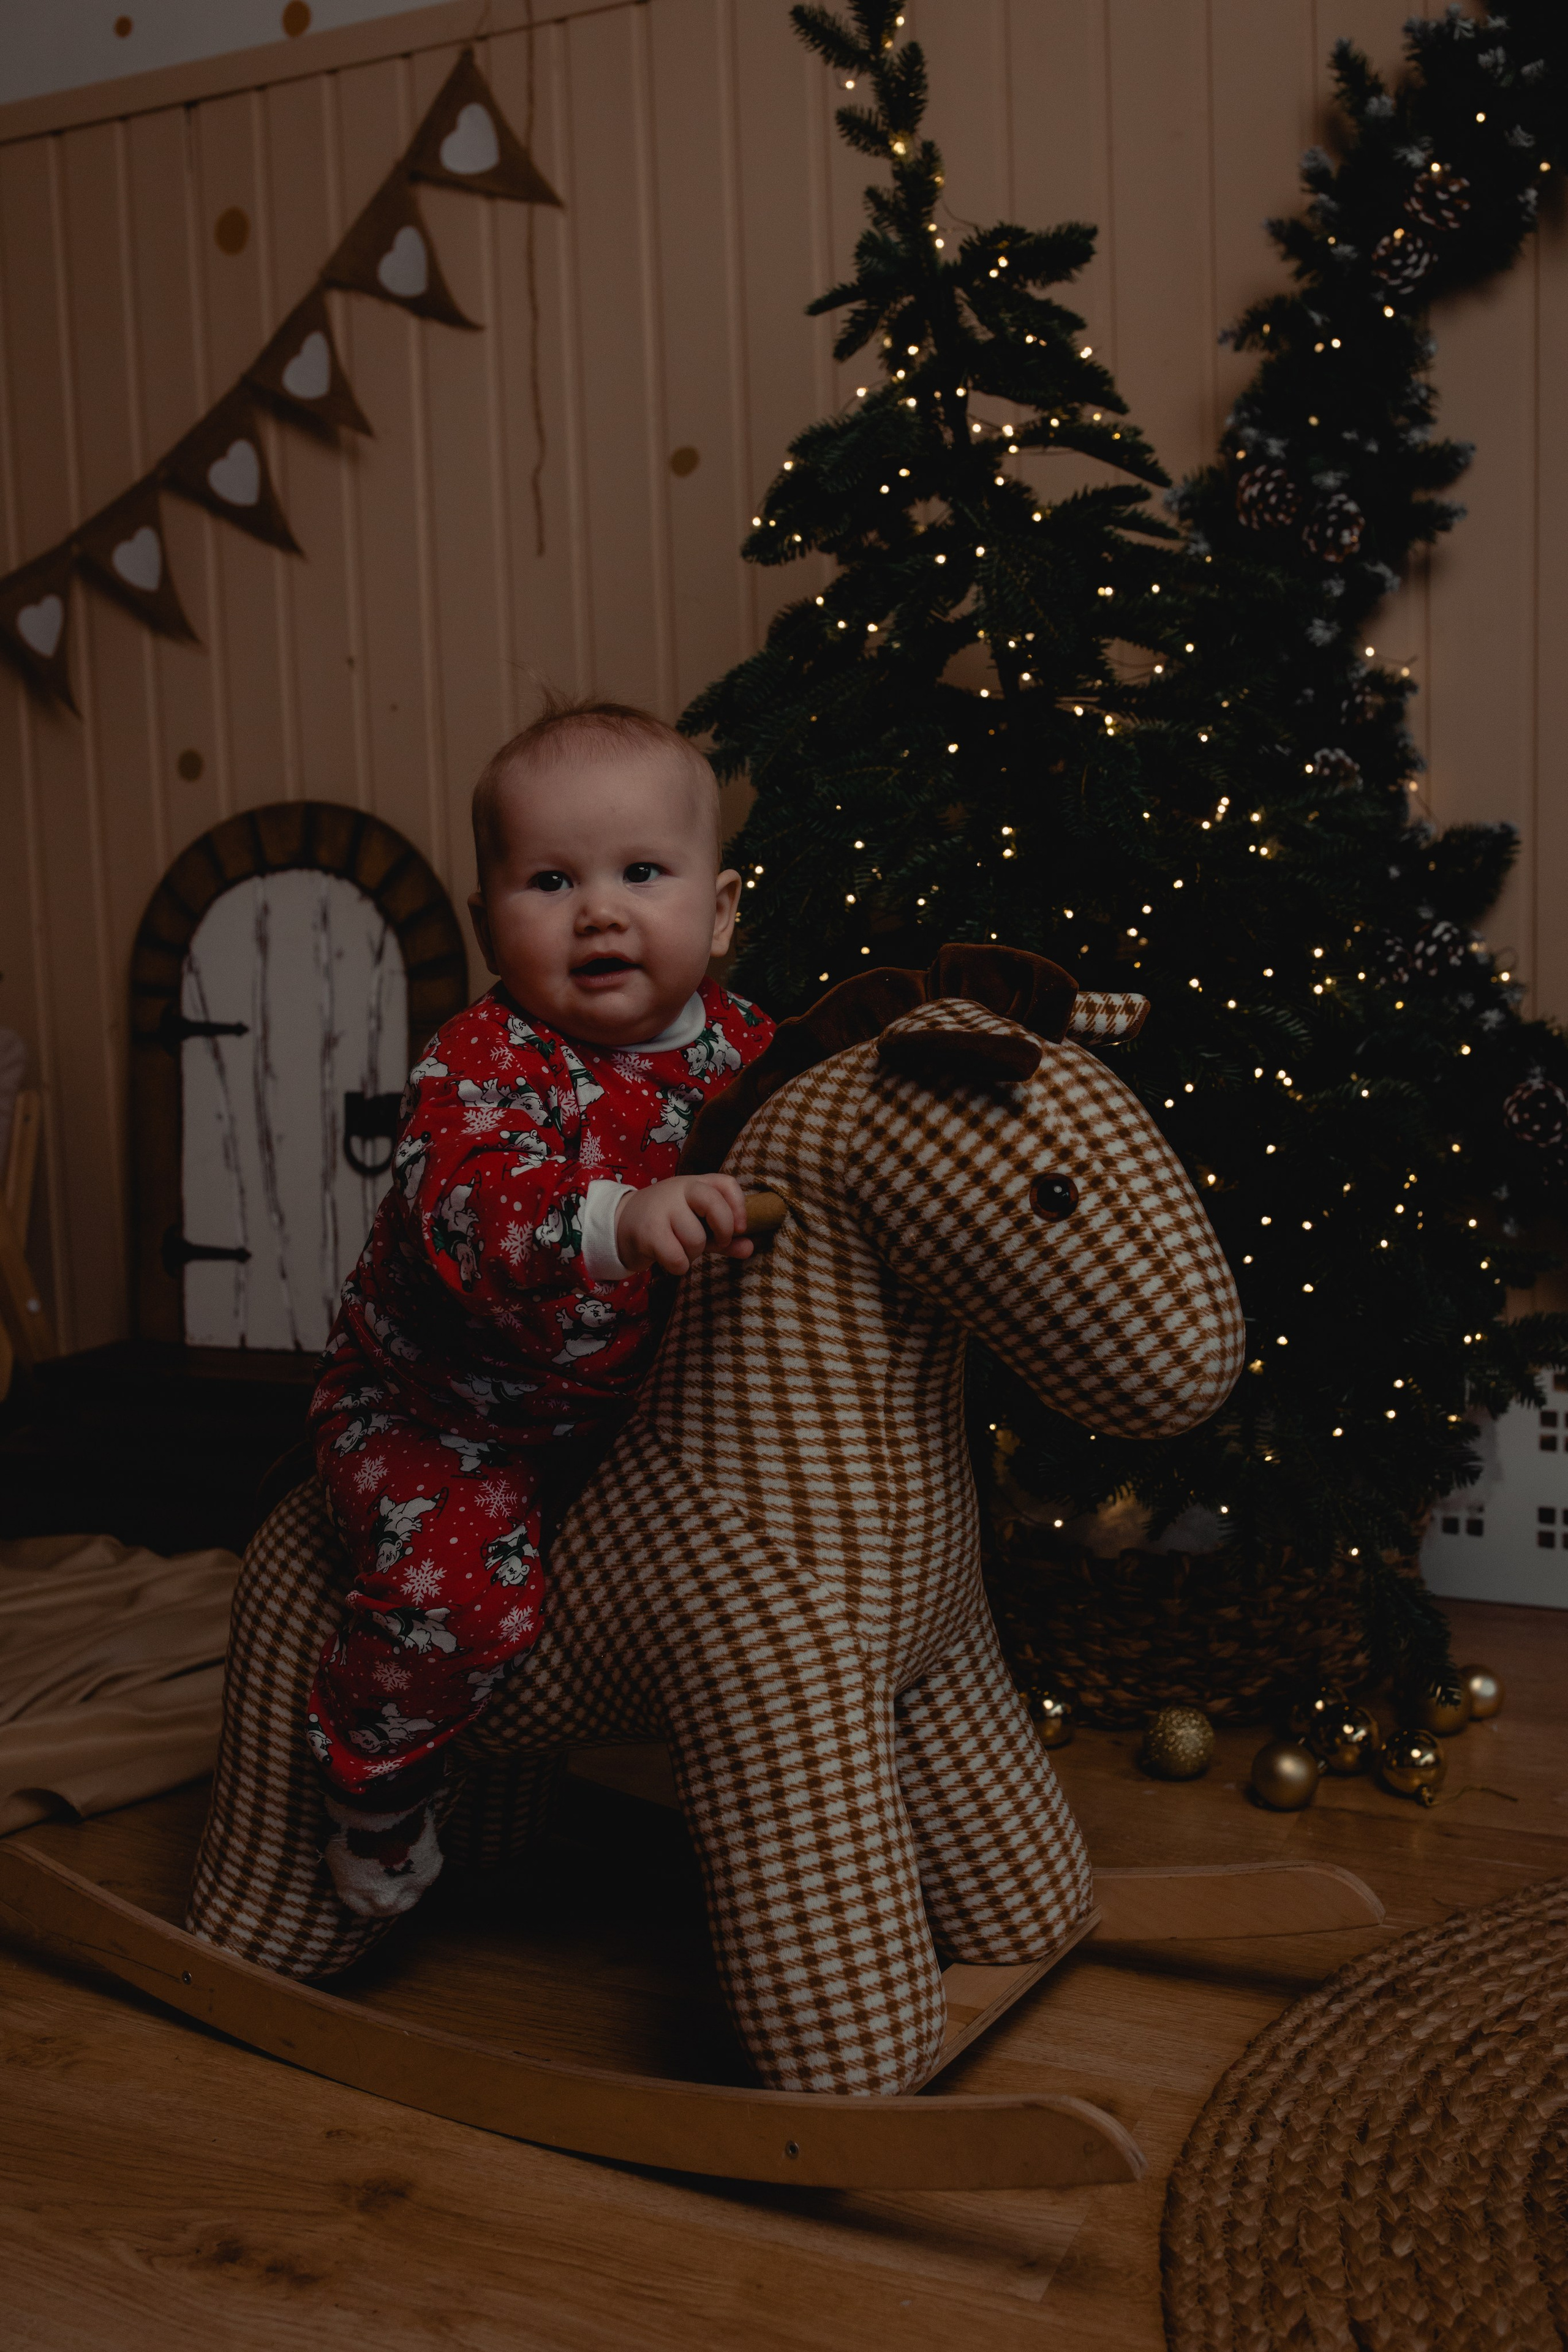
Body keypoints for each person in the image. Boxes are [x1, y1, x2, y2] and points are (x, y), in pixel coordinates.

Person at [306, 696, 774, 1919]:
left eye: (641, 873)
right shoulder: (484, 1059)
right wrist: (620, 1217)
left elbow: (824, 1148)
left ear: (719, 909)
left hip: (625, 1414)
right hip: (447, 1410)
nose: (600, 911)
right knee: (461, 1592)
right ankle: (377, 1788)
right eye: (551, 880)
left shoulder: (747, 1052)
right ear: (486, 921)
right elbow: (463, 1210)